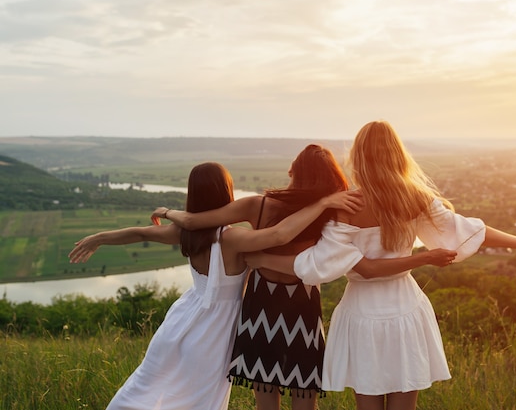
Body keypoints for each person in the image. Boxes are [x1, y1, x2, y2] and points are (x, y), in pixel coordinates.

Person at [244, 120, 516, 410]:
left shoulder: (349, 205)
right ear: (397, 155)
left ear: (358, 158)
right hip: (406, 310)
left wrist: (260, 258)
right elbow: (466, 231)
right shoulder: (415, 197)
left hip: (362, 315)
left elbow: (319, 265)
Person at [149, 145, 455, 410]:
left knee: (264, 390)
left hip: (261, 300)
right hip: (302, 299)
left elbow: (194, 220)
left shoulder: (259, 205)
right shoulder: (327, 212)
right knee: (304, 390)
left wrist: (168, 211)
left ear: (295, 171)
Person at [68, 161, 362, 410]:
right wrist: (322, 202)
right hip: (216, 328)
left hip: (182, 319)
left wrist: (100, 238)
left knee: (151, 384)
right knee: (201, 399)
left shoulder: (183, 233)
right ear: (226, 192)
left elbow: (138, 232)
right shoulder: (231, 239)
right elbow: (279, 236)